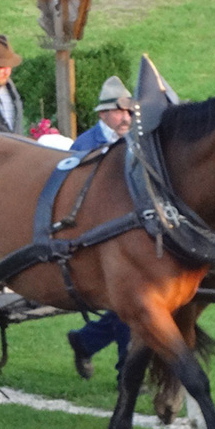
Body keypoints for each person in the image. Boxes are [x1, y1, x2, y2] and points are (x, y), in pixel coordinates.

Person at [66, 76, 135, 381]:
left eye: (130, 113)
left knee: (131, 301)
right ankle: (126, 371)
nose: (126, 118)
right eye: (120, 112)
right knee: (127, 304)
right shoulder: (84, 146)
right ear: (103, 114)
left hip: (125, 235)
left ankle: (86, 340)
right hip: (91, 237)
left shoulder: (134, 143)